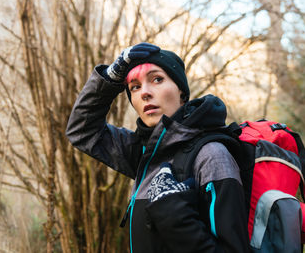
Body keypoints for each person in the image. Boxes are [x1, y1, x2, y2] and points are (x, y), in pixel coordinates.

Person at [66, 42, 250, 252]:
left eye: (157, 79)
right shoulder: (144, 154)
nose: (144, 92)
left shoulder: (211, 155)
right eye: (135, 86)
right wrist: (110, 78)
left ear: (181, 91)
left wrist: (173, 215)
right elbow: (82, 131)